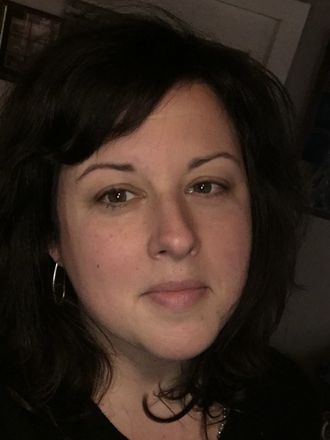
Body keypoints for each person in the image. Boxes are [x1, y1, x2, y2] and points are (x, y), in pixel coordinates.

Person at [0, 7, 321, 440]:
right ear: (51, 235)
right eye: (117, 195)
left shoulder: (286, 400)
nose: (178, 236)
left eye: (206, 186)